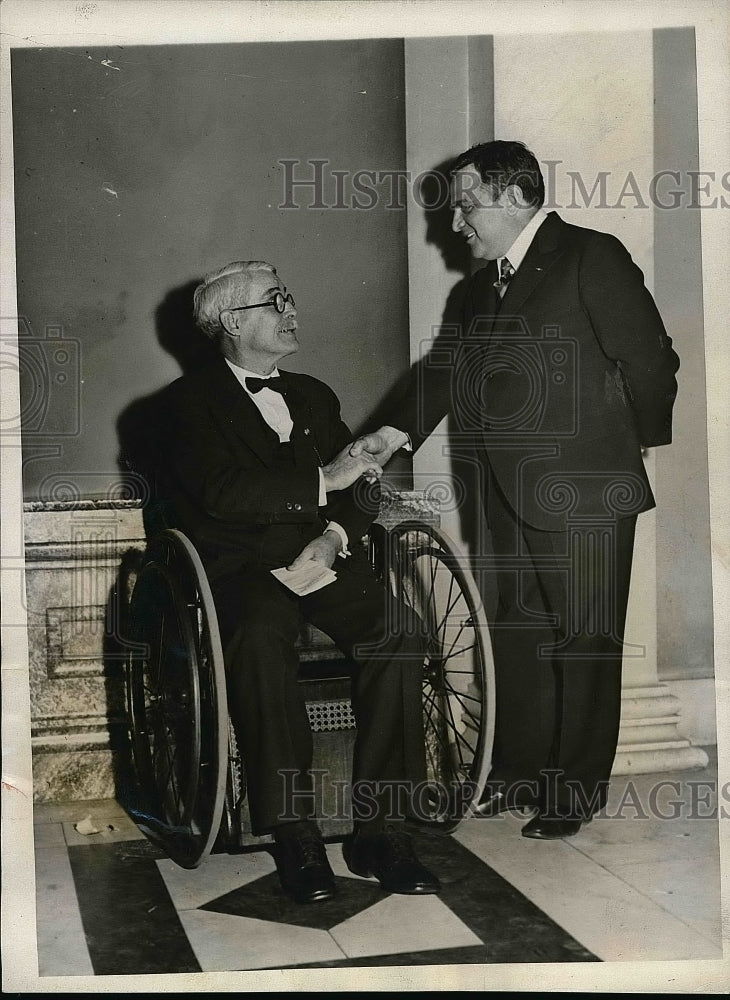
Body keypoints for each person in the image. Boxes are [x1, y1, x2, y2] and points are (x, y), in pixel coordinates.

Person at [351, 140, 680, 840]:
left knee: (585, 638)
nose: (456, 225)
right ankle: (518, 771)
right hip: (503, 491)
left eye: (466, 206)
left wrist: (636, 438)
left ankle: (574, 791)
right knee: (520, 634)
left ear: (510, 197)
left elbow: (650, 356)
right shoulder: (475, 290)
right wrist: (391, 434)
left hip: (586, 490)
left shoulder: (592, 256)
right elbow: (448, 373)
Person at [161, 260, 440, 902]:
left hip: (323, 559)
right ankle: (295, 831)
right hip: (239, 568)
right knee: (260, 635)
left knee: (401, 632)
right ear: (232, 322)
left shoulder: (314, 394)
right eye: (275, 301)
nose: (293, 311)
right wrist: (321, 482)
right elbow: (219, 491)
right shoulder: (185, 404)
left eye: (290, 296)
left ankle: (381, 828)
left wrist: (334, 535)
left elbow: (361, 489)